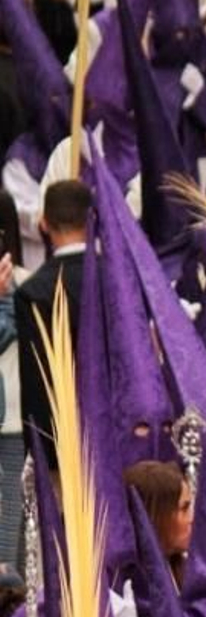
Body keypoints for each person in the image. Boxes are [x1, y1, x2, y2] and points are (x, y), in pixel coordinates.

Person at [13, 180, 86, 460]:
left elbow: (36, 381)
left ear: (43, 224)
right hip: (117, 436)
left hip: (60, 442)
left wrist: (42, 454)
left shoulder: (33, 291)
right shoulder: (118, 281)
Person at [122, 463, 194, 586]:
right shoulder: (128, 588)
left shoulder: (187, 572)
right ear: (157, 516)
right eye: (184, 508)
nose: (192, 518)